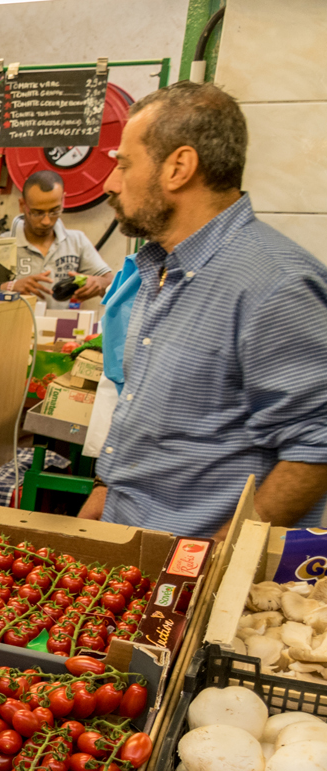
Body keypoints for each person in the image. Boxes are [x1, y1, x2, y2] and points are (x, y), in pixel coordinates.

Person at [79, 81, 327, 539]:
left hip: (193, 563)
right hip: (127, 541)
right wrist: (106, 490)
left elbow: (316, 447)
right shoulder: (159, 268)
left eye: (124, 164)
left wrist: (217, 557)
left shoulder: (276, 284)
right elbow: (149, 409)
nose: (112, 183)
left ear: (179, 168)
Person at [8, 169, 112, 302]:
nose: (46, 221)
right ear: (22, 205)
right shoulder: (2, 244)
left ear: (62, 200)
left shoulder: (77, 241)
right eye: (37, 213)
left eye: (54, 211)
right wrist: (10, 286)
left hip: (61, 322)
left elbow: (111, 282)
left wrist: (99, 283)